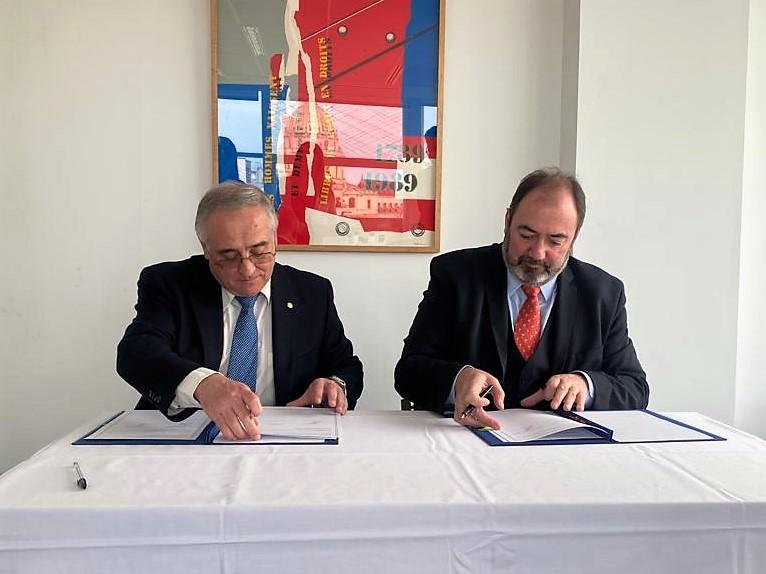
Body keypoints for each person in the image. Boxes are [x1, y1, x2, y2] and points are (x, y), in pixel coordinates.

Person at [394, 167, 648, 429]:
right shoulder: (455, 276)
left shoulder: (602, 293)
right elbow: (408, 372)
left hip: (563, 446)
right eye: (526, 235)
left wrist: (586, 384)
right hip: (466, 439)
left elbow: (635, 387)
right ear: (507, 221)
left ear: (575, 235)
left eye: (555, 241)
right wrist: (458, 379)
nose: (537, 253)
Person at [117, 182, 363, 440]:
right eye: (228, 256)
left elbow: (346, 366)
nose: (247, 270)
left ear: (275, 239)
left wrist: (335, 385)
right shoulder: (170, 284)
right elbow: (136, 352)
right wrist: (202, 383)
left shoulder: (312, 292)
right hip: (186, 436)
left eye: (259, 252)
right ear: (206, 248)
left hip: (282, 440)